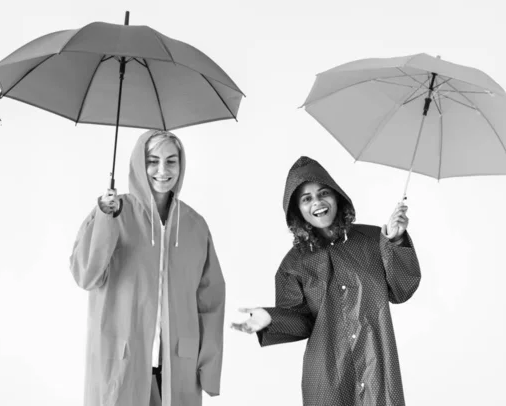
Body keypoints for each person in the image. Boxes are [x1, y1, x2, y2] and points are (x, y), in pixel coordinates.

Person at [231, 156, 421, 406]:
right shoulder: (293, 264)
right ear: (296, 209)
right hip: (328, 378)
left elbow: (401, 290)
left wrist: (395, 242)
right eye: (306, 198)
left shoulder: (374, 239)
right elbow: (302, 322)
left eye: (323, 193)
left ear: (337, 197)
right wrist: (270, 317)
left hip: (376, 366)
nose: (317, 202)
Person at [69, 130, 225, 406]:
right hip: (123, 362)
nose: (162, 170)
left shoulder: (195, 225)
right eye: (152, 161)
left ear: (182, 165)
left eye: (171, 161)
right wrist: (105, 218)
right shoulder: (115, 212)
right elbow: (85, 275)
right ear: (139, 165)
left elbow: (211, 303)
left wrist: (209, 368)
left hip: (178, 367)